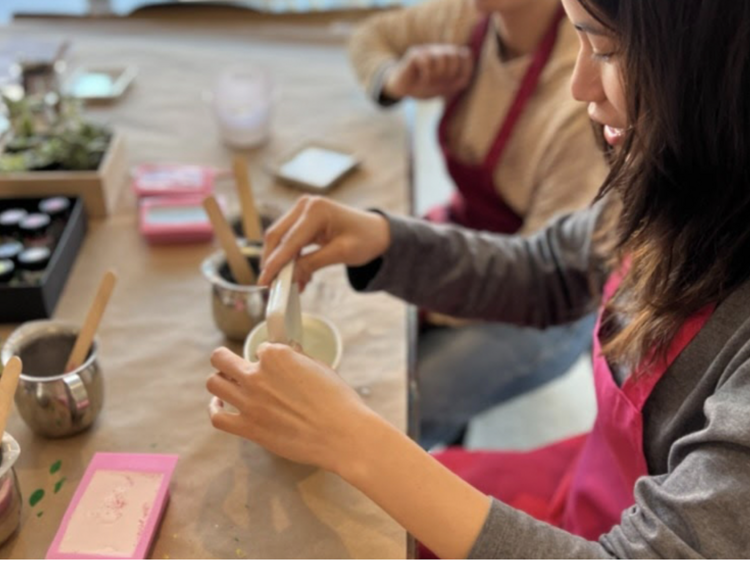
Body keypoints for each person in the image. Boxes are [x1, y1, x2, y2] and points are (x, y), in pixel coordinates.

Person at [206, 0, 750, 557]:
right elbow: (548, 268)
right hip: (591, 488)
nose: (580, 87)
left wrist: (354, 438)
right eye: (579, 41)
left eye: (606, 50)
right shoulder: (674, 186)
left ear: (717, 68)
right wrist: (384, 240)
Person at [349, 0, 608, 448]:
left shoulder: (574, 98)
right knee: (363, 347)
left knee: (391, 413)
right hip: (474, 243)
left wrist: (422, 295)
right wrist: (398, 78)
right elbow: (369, 37)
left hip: (544, 305)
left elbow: (539, 276)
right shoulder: (470, 16)